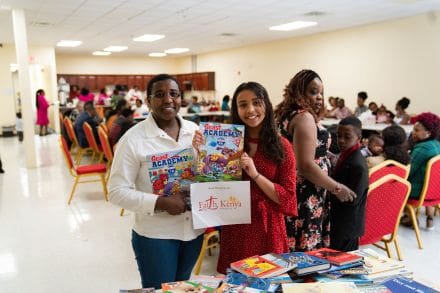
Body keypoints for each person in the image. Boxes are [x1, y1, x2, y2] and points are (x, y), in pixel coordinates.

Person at [107, 74, 204, 289]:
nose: (168, 100)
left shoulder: (195, 132)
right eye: (159, 95)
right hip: (156, 236)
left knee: (183, 288)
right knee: (160, 289)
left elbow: (207, 175)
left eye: (174, 94)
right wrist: (161, 202)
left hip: (194, 231)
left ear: (181, 99)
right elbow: (115, 191)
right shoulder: (133, 140)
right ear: (148, 101)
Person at [193, 82, 297, 274]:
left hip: (268, 230)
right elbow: (210, 185)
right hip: (236, 228)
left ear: (266, 104)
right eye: (243, 105)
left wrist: (255, 174)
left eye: (256, 102)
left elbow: (289, 198)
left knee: (269, 282)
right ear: (236, 109)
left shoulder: (282, 146)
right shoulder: (226, 142)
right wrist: (202, 153)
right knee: (237, 283)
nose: (250, 110)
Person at [275, 69, 356, 252]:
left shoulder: (290, 114)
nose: (319, 97)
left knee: (296, 242)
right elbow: (305, 166)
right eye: (313, 92)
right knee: (305, 245)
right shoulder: (304, 118)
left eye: (321, 92)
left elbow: (306, 150)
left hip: (301, 186)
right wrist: (337, 188)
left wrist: (331, 156)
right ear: (299, 92)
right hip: (307, 190)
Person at [330, 117, 369, 251]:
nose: (341, 140)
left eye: (347, 137)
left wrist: (330, 188)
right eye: (338, 136)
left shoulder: (358, 165)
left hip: (347, 225)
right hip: (339, 222)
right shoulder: (345, 155)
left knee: (344, 262)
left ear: (359, 137)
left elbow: (353, 199)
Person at [402, 112, 440, 230]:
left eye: (416, 130)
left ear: (428, 132)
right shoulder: (436, 144)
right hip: (435, 189)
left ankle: (410, 218)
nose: (413, 132)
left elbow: (408, 172)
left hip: (419, 191)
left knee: (398, 184)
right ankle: (429, 218)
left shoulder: (422, 148)